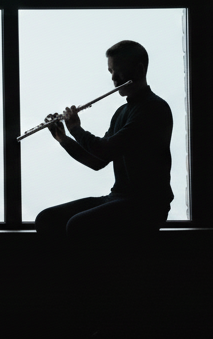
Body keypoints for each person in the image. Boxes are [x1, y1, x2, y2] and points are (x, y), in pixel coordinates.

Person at [35, 40, 173, 240]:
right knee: (47, 219)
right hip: (118, 199)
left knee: (78, 225)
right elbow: (97, 162)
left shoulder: (153, 108)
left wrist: (75, 129)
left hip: (146, 207)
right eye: (110, 72)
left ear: (140, 69)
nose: (114, 78)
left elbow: (105, 150)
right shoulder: (122, 111)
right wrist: (63, 138)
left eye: (119, 71)